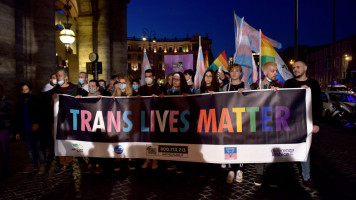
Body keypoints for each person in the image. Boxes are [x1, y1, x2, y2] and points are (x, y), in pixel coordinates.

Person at [283, 60, 322, 188]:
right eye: (293, 67)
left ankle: (306, 176)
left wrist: (316, 123)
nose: (295, 69)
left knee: (305, 149)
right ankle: (289, 176)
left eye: (298, 67)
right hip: (291, 121)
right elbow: (284, 99)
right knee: (288, 150)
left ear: (305, 68)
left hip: (307, 122)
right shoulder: (289, 83)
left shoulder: (314, 84)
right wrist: (299, 90)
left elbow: (318, 105)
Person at [220, 64, 250, 183]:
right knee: (230, 144)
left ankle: (240, 170)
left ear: (240, 73)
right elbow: (221, 101)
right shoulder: (225, 87)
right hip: (230, 120)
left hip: (242, 120)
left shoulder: (246, 85)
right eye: (232, 71)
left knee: (241, 144)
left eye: (237, 71)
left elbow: (252, 100)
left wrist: (245, 94)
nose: (234, 73)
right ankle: (231, 169)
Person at [252, 62, 279, 187]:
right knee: (259, 148)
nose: (275, 73)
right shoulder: (256, 86)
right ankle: (259, 173)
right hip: (258, 123)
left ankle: (271, 174)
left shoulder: (278, 86)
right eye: (273, 71)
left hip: (272, 122)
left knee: (272, 149)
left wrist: (278, 92)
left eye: (276, 71)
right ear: (265, 72)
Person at [48, 69, 82, 172]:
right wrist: (53, 100)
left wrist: (79, 98)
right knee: (58, 141)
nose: (59, 78)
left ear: (66, 77)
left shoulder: (75, 89)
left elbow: (82, 102)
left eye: (60, 76)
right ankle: (61, 162)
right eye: (57, 76)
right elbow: (50, 106)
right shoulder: (54, 90)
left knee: (68, 141)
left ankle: (68, 162)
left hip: (70, 120)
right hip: (56, 120)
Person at [15, 83, 46, 174]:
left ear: (30, 91)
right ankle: (33, 165)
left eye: (26, 89)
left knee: (39, 148)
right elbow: (17, 118)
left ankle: (42, 165)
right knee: (30, 149)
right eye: (22, 90)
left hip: (36, 130)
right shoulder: (19, 103)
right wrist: (17, 131)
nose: (24, 91)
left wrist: (37, 123)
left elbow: (41, 114)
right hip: (26, 129)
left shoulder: (36, 101)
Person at [138, 69, 163, 169]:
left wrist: (159, 97)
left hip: (156, 117)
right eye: (146, 76)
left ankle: (155, 160)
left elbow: (163, 98)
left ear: (154, 77)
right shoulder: (142, 88)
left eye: (149, 76)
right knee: (146, 138)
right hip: (145, 117)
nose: (147, 78)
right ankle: (148, 159)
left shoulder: (159, 88)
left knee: (155, 138)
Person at [112, 76, 136, 171]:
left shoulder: (132, 94)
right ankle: (118, 160)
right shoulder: (114, 94)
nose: (122, 84)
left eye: (124, 82)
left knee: (128, 141)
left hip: (129, 122)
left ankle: (129, 160)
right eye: (120, 82)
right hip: (118, 121)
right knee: (118, 141)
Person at [0, 84, 11, 177]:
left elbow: (8, 114)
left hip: (4, 128)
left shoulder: (6, 102)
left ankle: (6, 170)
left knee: (4, 150)